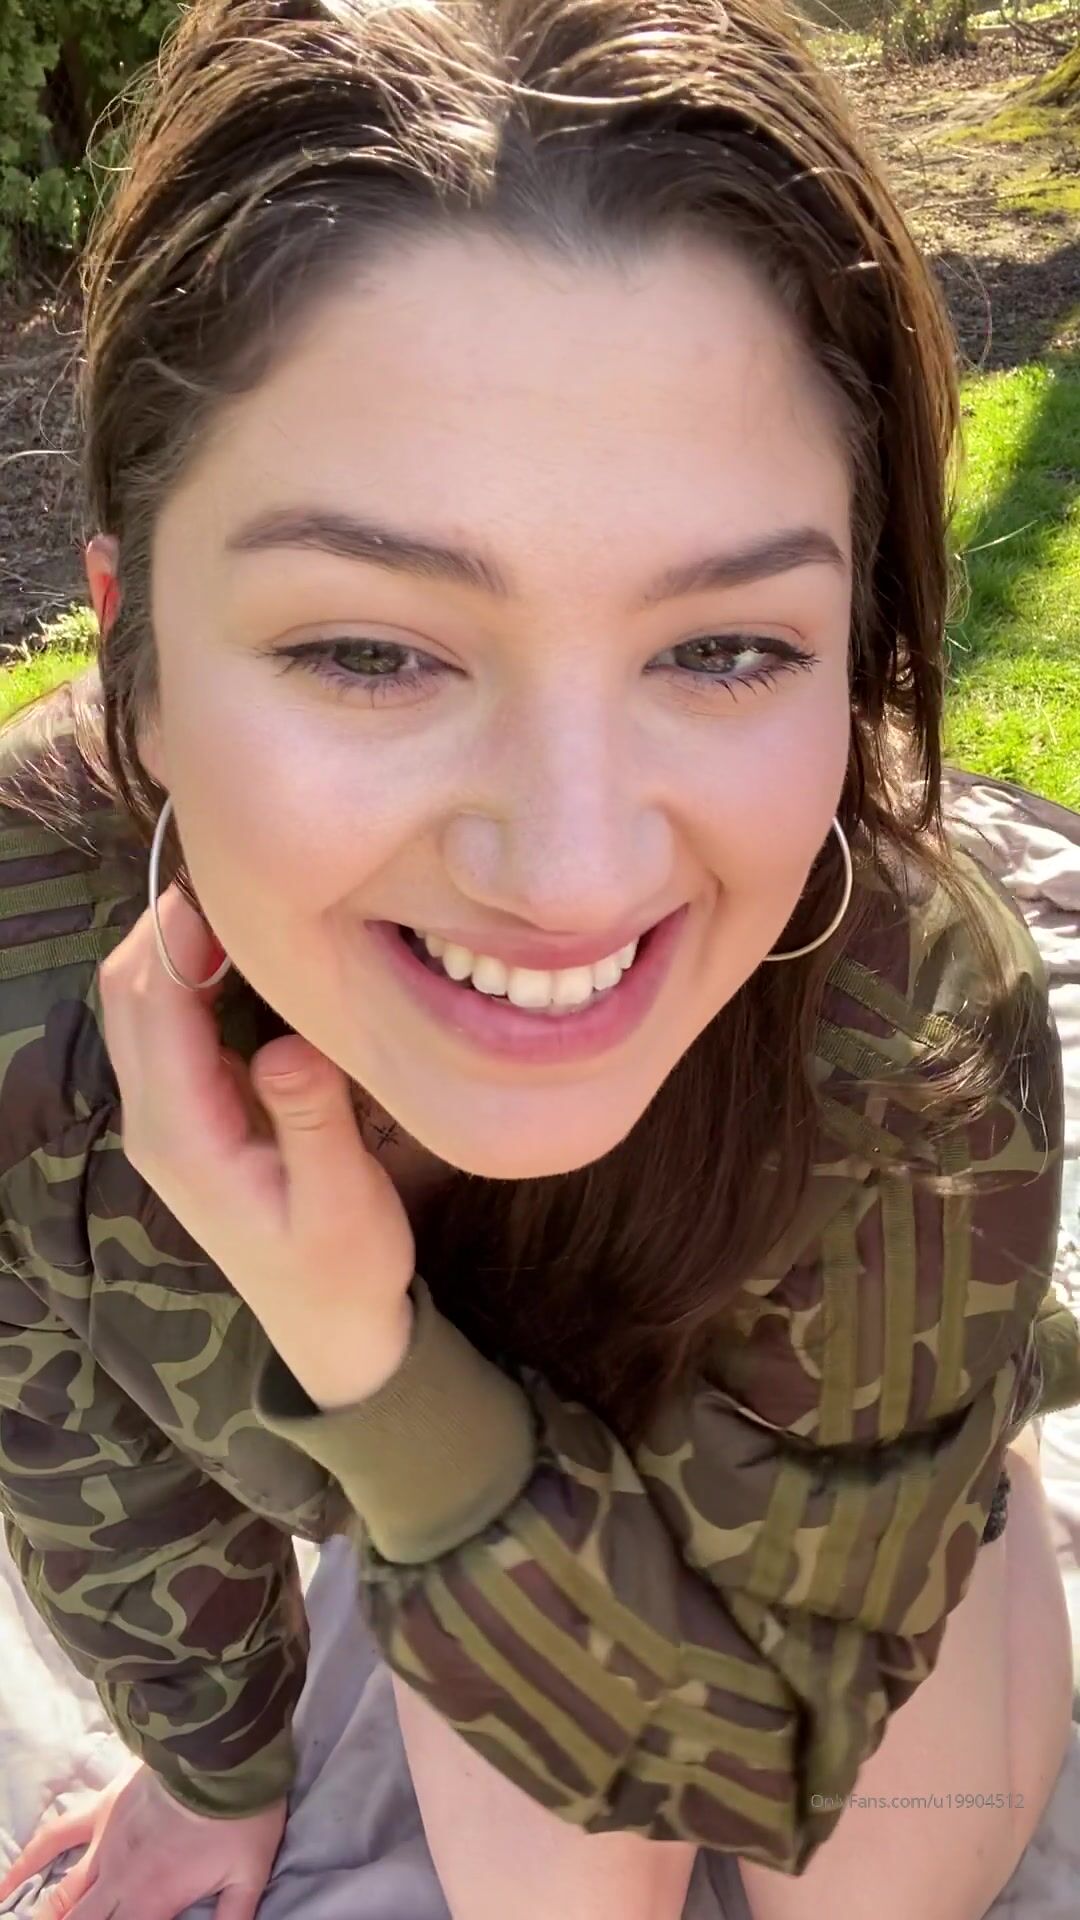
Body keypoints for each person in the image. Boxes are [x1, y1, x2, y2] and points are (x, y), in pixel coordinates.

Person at [0, 0, 1077, 1915]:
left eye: (725, 648)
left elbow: (772, 1744)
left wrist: (364, 1354)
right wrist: (218, 1760)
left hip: (806, 1510)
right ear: (132, 649)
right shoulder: (27, 947)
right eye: (369, 650)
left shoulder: (913, 1021)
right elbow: (75, 1433)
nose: (573, 871)